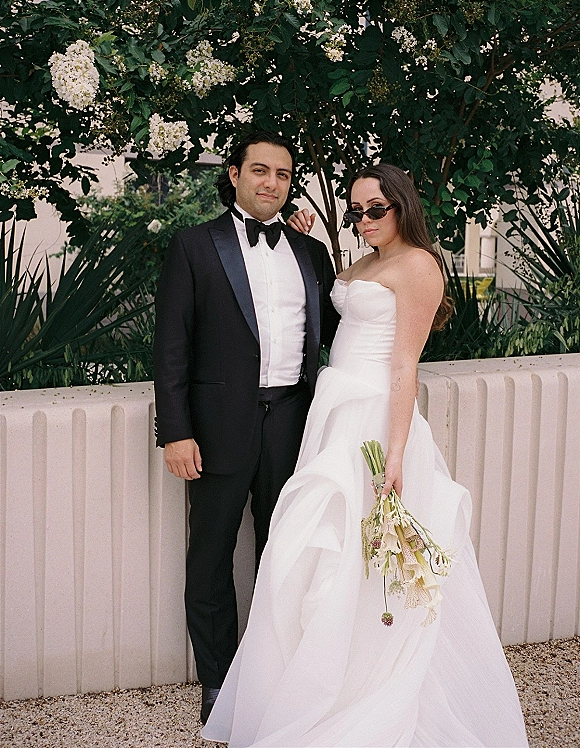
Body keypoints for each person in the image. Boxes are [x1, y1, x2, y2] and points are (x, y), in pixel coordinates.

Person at [202, 163, 529, 747]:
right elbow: (327, 312)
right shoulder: (363, 262)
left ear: (403, 205)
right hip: (332, 416)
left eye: (376, 208)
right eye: (356, 211)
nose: (365, 220)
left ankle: (368, 690)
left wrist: (396, 455)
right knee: (315, 555)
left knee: (365, 560)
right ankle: (316, 681)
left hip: (375, 423)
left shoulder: (419, 266)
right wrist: (308, 237)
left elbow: (406, 366)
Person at [153, 131, 339, 725]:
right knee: (209, 557)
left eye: (282, 174)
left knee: (282, 554)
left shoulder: (310, 255)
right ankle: (217, 680)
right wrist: (175, 431)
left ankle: (273, 672)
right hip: (215, 430)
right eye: (259, 170)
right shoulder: (193, 246)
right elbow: (172, 348)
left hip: (292, 422)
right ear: (233, 173)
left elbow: (340, 329)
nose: (271, 183)